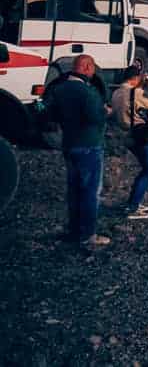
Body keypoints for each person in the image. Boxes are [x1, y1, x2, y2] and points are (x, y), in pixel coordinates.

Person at [44, 54, 110, 251]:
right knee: (90, 192)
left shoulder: (58, 89)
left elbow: (42, 108)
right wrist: (105, 112)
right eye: (93, 68)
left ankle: (74, 230)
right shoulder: (88, 92)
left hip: (69, 144)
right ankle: (88, 234)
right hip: (89, 145)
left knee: (74, 191)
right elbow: (96, 118)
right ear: (87, 67)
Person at [110, 67, 148, 220]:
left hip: (127, 134)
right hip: (143, 135)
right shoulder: (136, 93)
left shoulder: (117, 92)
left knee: (145, 168)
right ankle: (133, 206)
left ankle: (134, 202)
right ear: (136, 77)